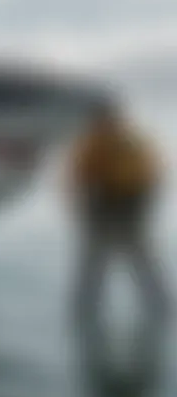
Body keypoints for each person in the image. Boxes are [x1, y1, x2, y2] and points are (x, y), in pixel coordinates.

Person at [68, 96, 169, 326]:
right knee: (118, 259)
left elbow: (79, 179)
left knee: (107, 259)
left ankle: (85, 308)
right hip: (120, 202)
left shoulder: (100, 141)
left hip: (120, 203)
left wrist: (84, 210)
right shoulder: (127, 140)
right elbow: (152, 175)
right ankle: (158, 305)